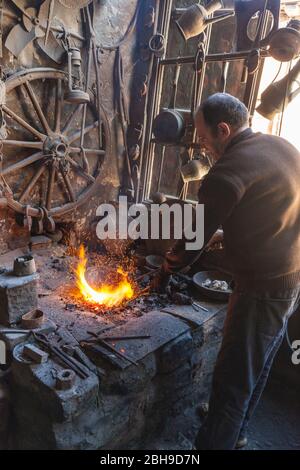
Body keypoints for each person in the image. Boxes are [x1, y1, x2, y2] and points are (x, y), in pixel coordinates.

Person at [151, 93, 300, 450]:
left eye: (204, 137)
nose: (203, 146)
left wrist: (167, 268)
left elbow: (191, 240)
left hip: (262, 287)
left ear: (223, 129)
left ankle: (218, 439)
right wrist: (229, 231)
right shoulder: (279, 145)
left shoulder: (228, 170)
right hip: (292, 275)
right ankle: (239, 433)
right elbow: (272, 204)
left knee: (231, 382)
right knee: (259, 363)